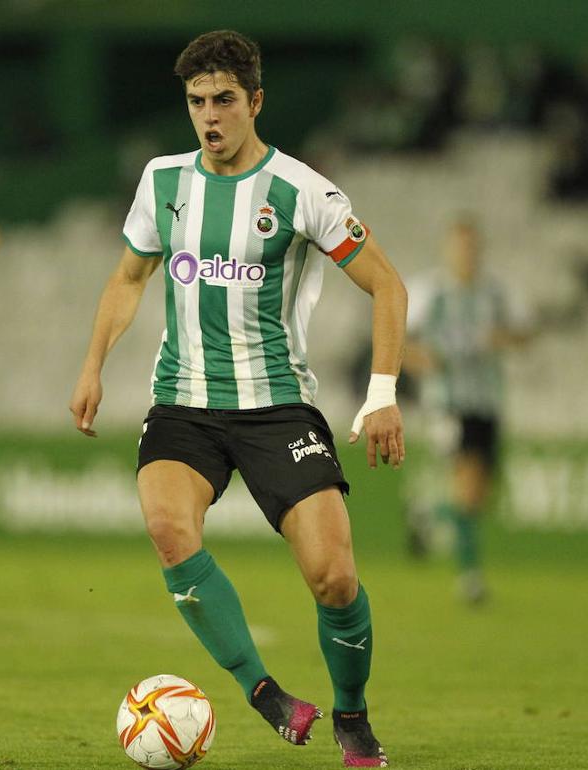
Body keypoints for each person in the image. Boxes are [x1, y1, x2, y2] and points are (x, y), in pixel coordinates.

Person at [70, 30, 405, 768]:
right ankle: (263, 692)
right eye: (196, 102)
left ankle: (352, 714)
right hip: (183, 404)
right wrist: (94, 364)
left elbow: (387, 284)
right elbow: (129, 278)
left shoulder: (302, 190)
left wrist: (381, 394)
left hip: (277, 406)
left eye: (223, 100)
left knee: (334, 578)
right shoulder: (163, 182)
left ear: (255, 101)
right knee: (167, 527)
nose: (209, 116)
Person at [403, 216, 531, 604]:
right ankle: (470, 578)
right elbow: (397, 343)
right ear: (448, 250)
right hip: (447, 402)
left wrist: (502, 337)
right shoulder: (429, 293)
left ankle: (429, 514)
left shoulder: (497, 293)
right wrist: (422, 359)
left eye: (472, 247)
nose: (466, 254)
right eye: (460, 247)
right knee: (468, 479)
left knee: (478, 497)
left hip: (487, 400)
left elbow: (524, 333)